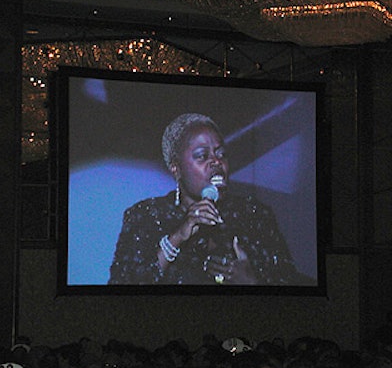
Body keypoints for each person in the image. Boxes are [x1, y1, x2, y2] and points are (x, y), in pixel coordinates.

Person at [108, 113, 306, 285]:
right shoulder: (146, 216)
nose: (216, 161)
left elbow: (290, 288)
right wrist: (177, 237)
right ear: (176, 168)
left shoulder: (254, 214)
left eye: (221, 154)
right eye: (202, 156)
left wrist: (250, 281)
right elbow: (123, 288)